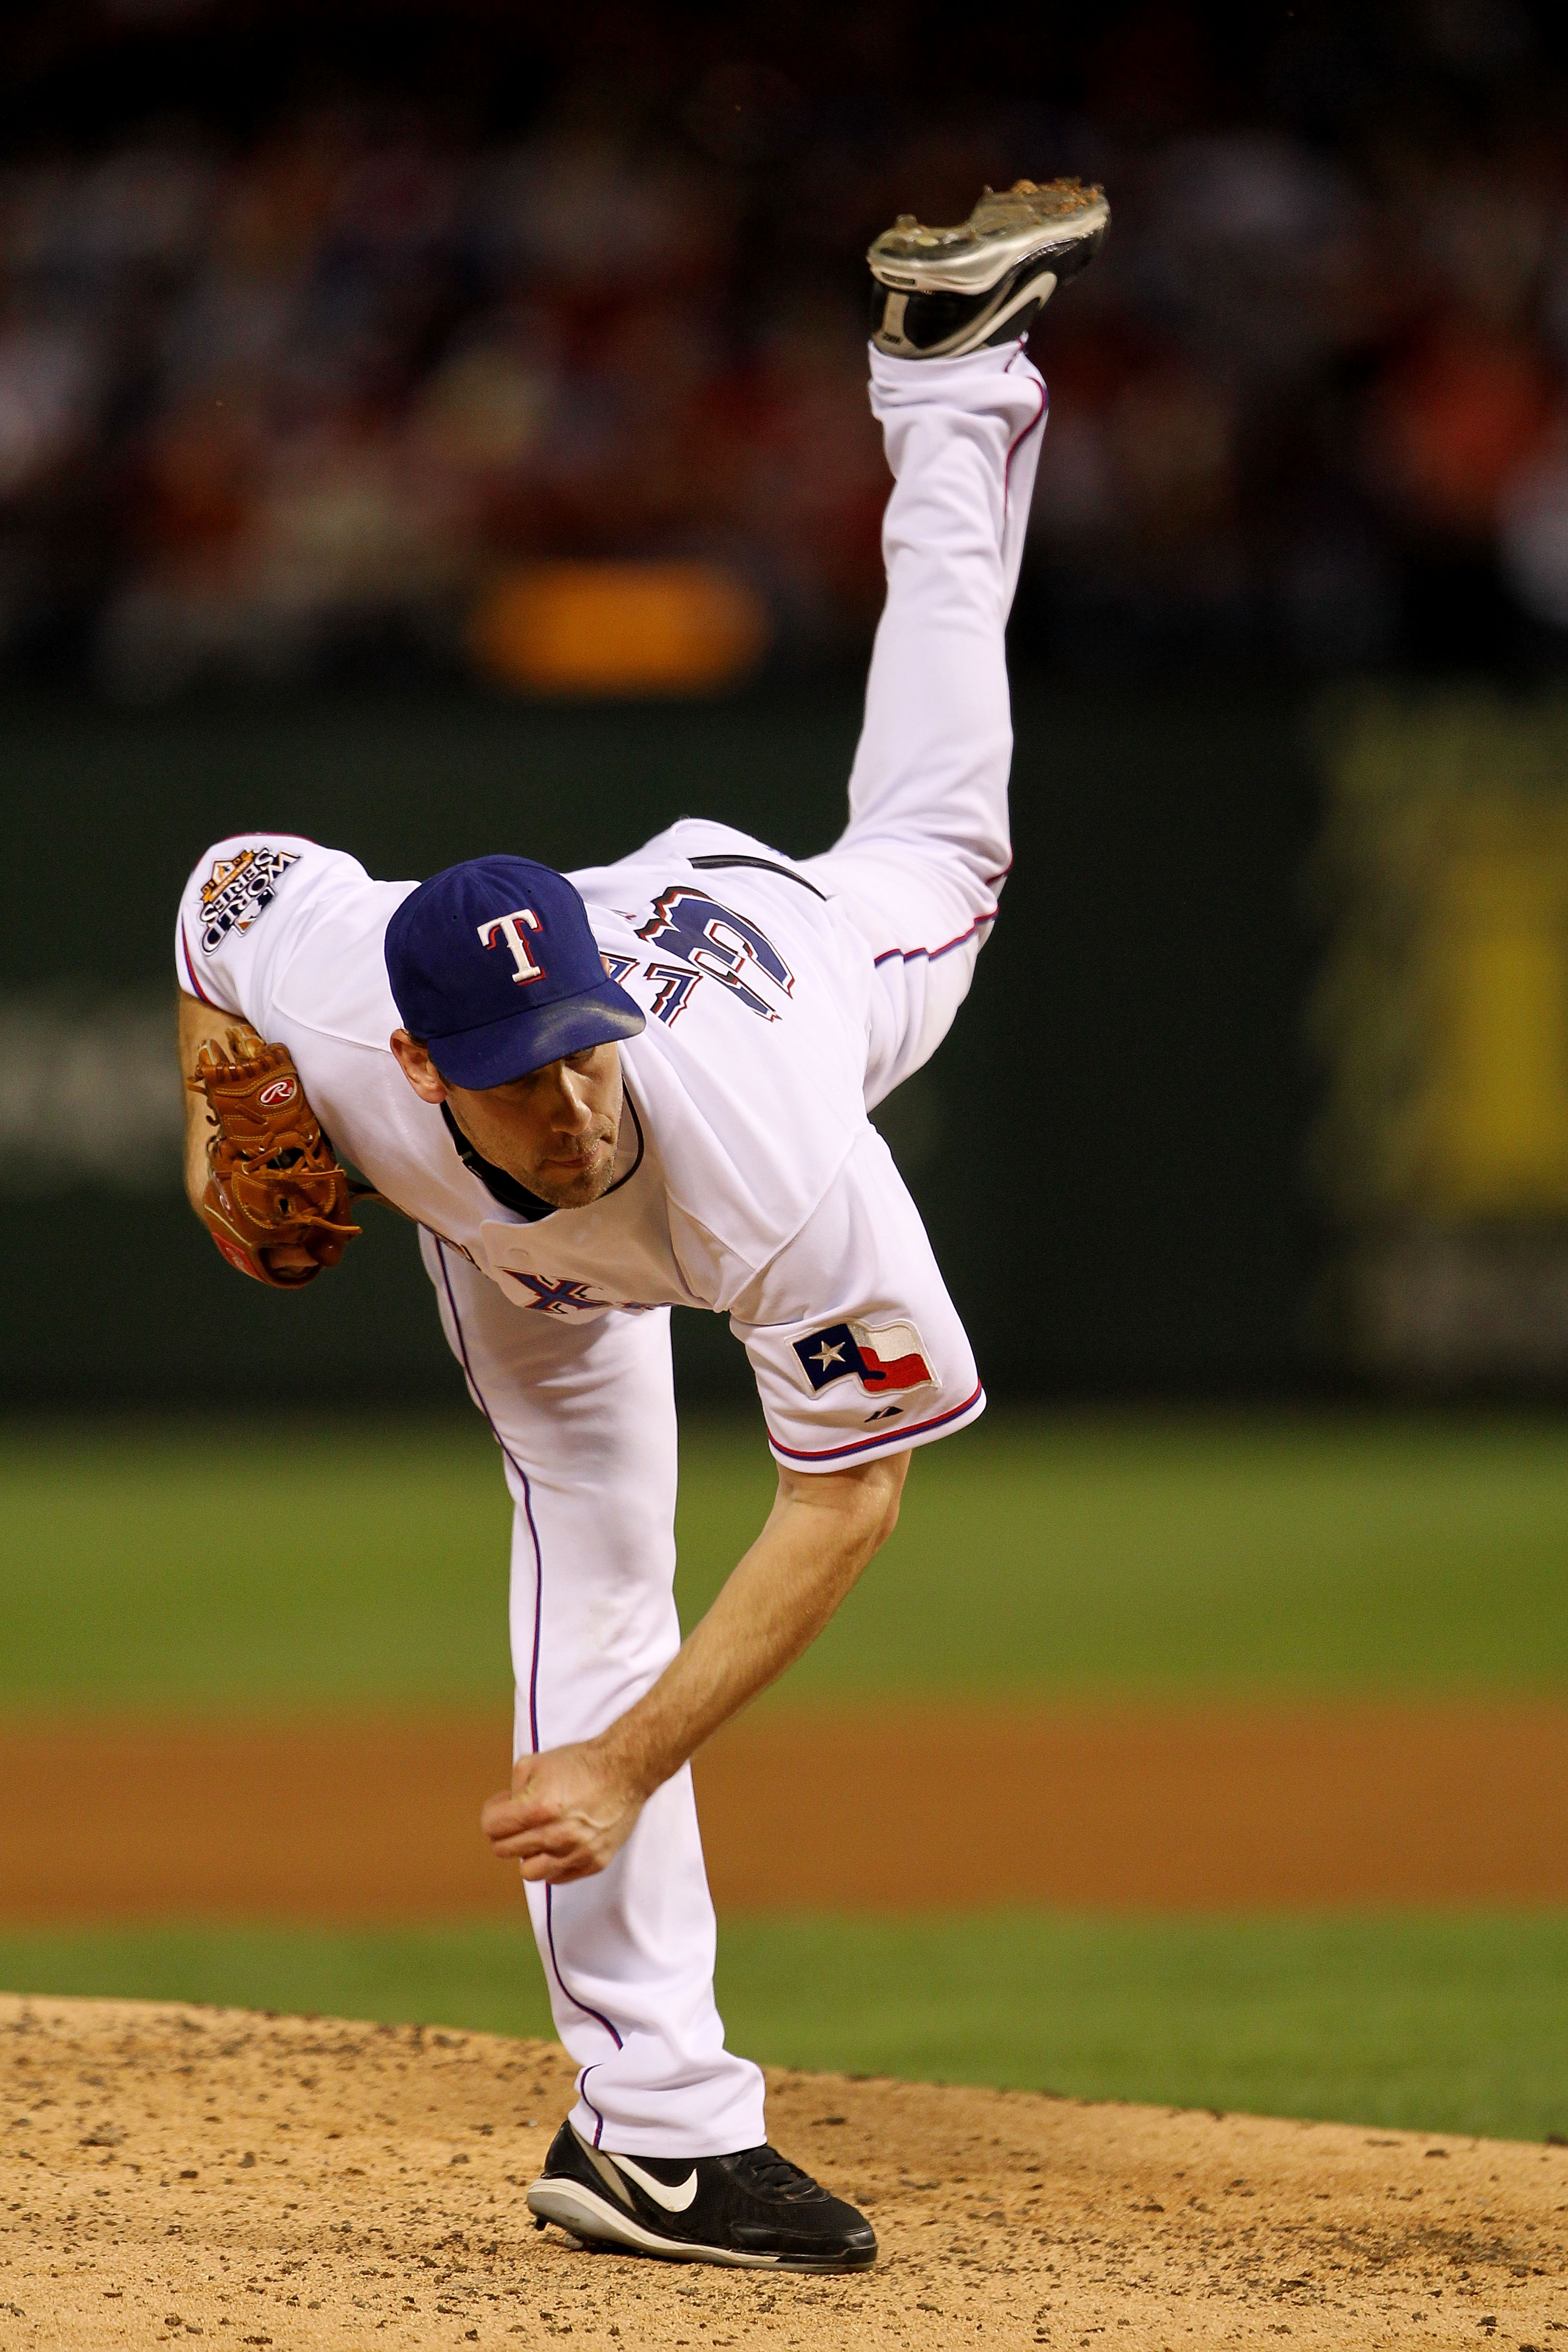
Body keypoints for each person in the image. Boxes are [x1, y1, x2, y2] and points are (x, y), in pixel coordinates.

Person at [174, 178, 1107, 2273]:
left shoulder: (766, 1140)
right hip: (516, 1258)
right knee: (590, 1549)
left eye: (576, 1049)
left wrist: (627, 1762)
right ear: (420, 1071)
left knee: (941, 834)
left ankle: (951, 388)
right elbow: (228, 884)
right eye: (524, 1064)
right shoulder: (344, 1011)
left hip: (782, 955)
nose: (573, 1088)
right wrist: (193, 1086)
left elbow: (845, 1508)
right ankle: (658, 2132)